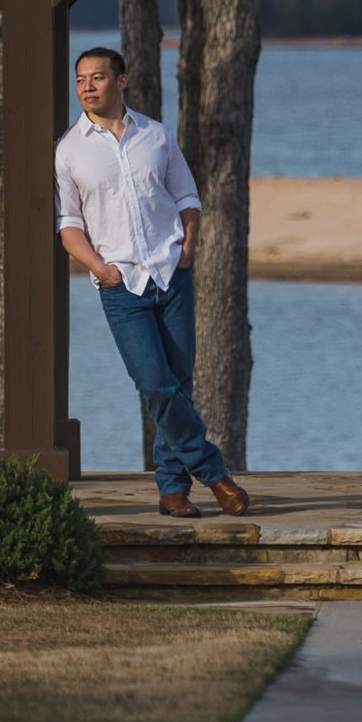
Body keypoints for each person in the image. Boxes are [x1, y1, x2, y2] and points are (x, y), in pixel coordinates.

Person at [55, 46, 249, 520]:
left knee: (177, 386)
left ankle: (171, 491)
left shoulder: (156, 136)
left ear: (121, 81)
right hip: (120, 286)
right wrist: (100, 270)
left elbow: (187, 195)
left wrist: (188, 247)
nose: (87, 86)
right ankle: (215, 474)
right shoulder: (69, 149)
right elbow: (68, 225)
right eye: (81, 79)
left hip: (171, 274)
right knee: (155, 385)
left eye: (98, 77)